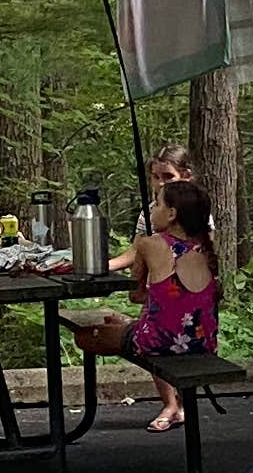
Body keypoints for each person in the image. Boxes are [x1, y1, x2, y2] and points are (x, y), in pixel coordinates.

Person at [70, 175, 219, 432]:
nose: (153, 210)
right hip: (203, 342)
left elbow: (135, 295)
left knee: (85, 336)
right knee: (123, 325)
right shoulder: (205, 247)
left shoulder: (148, 243)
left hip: (160, 342)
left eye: (158, 205)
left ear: (171, 214)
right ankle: (128, 327)